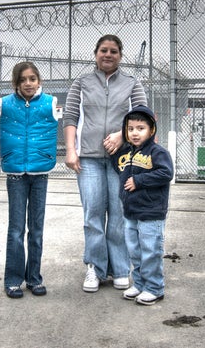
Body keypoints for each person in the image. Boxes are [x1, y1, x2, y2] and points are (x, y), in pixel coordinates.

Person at [63, 34, 148, 292]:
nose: (108, 55)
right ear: (96, 53)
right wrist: (70, 151)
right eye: (103, 50)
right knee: (93, 214)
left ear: (120, 55)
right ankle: (95, 268)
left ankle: (121, 269)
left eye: (113, 51)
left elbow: (144, 116)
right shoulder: (82, 81)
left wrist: (123, 135)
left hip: (121, 161)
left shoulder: (132, 83)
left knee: (119, 214)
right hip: (88, 159)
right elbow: (70, 115)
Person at [0, 61, 59, 299]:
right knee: (15, 229)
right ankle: (13, 280)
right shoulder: (4, 103)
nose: (28, 83)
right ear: (15, 83)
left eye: (32, 78)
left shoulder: (50, 102)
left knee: (36, 229)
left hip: (40, 174)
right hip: (15, 175)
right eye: (23, 79)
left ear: (39, 81)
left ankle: (34, 279)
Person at [112, 105, 173, 305]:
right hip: (131, 212)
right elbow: (120, 169)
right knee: (135, 252)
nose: (135, 133)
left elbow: (166, 173)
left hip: (151, 212)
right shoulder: (128, 153)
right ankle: (139, 284)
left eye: (140, 128)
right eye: (130, 129)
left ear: (151, 130)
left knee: (151, 251)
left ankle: (154, 288)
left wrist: (140, 181)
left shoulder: (157, 152)